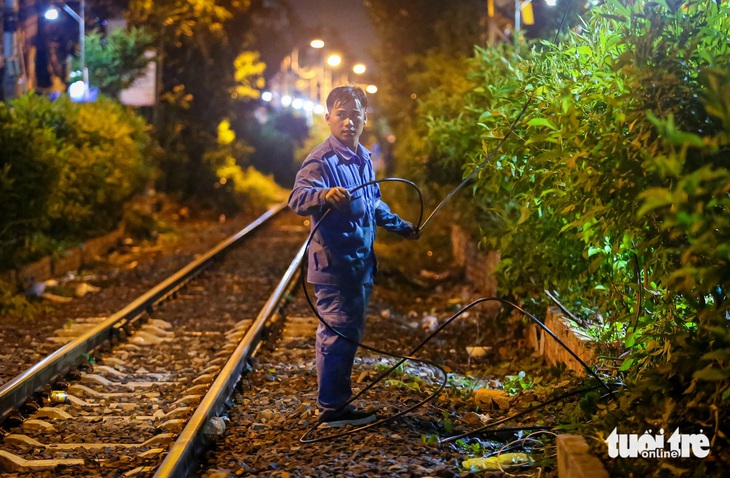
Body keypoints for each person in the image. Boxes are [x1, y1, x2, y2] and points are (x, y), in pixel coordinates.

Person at [288, 85, 419, 428]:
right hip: (335, 266)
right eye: (341, 114)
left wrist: (400, 226)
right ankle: (332, 410)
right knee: (337, 334)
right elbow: (297, 198)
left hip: (360, 265)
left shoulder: (363, 156)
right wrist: (323, 194)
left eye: (354, 114)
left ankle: (337, 404)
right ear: (327, 118)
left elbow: (373, 202)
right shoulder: (322, 160)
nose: (348, 121)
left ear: (365, 118)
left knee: (348, 335)